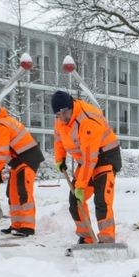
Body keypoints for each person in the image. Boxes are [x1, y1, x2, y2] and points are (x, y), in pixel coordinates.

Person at [51, 90, 121, 244]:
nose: (61, 118)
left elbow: (91, 158)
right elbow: (58, 139)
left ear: (70, 107)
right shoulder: (60, 120)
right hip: (85, 161)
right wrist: (59, 158)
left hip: (105, 157)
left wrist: (81, 186)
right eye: (57, 114)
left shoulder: (87, 120)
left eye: (63, 113)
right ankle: (86, 237)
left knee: (102, 199)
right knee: (75, 201)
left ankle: (106, 239)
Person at [0, 103, 44, 236]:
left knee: (23, 191)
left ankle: (28, 226)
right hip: (17, 160)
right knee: (12, 193)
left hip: (27, 158)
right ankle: (17, 224)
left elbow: (2, 151)